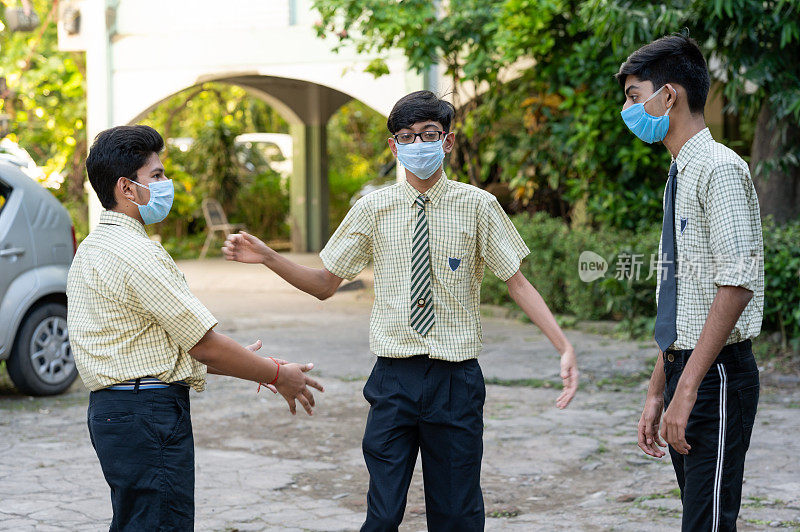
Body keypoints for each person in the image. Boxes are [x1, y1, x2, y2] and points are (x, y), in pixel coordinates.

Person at [223, 90, 578, 531]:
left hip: (456, 381)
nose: (418, 144)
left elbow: (517, 282)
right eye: (407, 137)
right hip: (393, 380)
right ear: (393, 146)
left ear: (447, 141)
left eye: (429, 134)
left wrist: (563, 346)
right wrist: (270, 258)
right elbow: (324, 285)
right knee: (383, 513)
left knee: (458, 514)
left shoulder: (478, 206)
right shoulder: (373, 208)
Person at [66, 125, 323, 530]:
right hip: (147, 414)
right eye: (157, 175)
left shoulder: (93, 249)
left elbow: (162, 349)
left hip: (115, 413)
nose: (167, 183)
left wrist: (252, 365)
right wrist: (278, 375)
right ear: (126, 188)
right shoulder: (137, 253)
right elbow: (203, 345)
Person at [618, 34, 764, 530]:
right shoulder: (681, 173)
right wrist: (659, 388)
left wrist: (690, 388)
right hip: (690, 370)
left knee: (706, 522)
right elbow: (683, 299)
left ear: (669, 96)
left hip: (717, 376)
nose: (629, 111)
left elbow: (737, 284)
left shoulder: (719, 170)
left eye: (634, 97)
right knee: (699, 517)